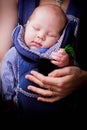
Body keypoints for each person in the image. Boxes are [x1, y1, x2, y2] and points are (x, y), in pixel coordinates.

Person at [0, 0, 87, 123]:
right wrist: (7, 97)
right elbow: (6, 74)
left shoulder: (58, 53)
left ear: (59, 38)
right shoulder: (15, 53)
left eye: (51, 35)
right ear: (27, 25)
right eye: (36, 28)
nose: (40, 36)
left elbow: (74, 71)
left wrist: (67, 62)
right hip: (21, 106)